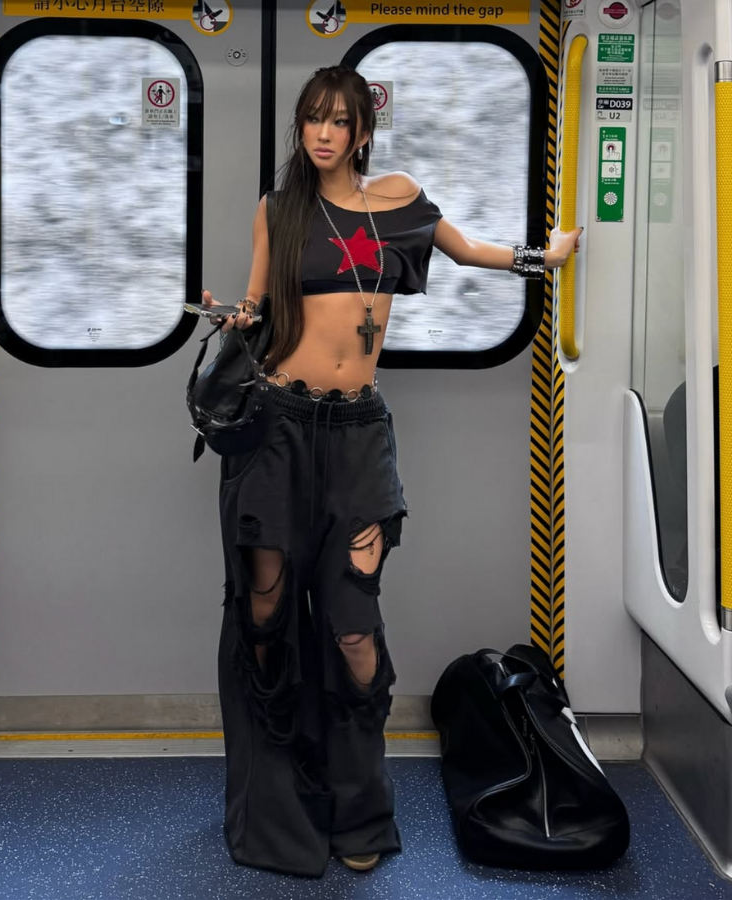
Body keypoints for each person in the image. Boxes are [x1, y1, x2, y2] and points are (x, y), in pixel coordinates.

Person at [200, 64, 581, 879]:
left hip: (357, 438)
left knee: (353, 628)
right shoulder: (279, 210)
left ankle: (359, 805)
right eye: (313, 118)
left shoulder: (401, 201)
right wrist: (234, 317)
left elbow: (467, 249)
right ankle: (283, 795)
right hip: (278, 432)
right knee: (265, 615)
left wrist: (542, 256)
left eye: (339, 120)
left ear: (363, 132)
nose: (323, 132)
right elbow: (258, 304)